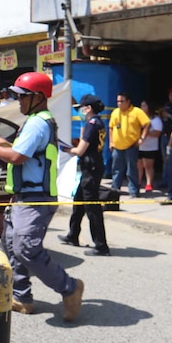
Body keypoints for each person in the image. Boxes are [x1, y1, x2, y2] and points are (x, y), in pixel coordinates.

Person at [0, 72, 84, 322]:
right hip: (24, 197)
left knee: (25, 249)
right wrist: (6, 146)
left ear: (37, 98)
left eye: (21, 96)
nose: (17, 101)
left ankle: (70, 287)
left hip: (35, 199)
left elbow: (18, 157)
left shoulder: (38, 122)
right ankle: (21, 297)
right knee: (12, 248)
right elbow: (22, 152)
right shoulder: (36, 120)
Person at [58, 94, 110, 256]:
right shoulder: (94, 122)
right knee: (79, 201)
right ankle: (73, 235)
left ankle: (101, 245)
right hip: (92, 166)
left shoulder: (92, 124)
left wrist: (67, 149)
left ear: (88, 108)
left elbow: (80, 150)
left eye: (81, 108)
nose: (79, 111)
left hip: (91, 167)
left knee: (92, 207)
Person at [109, 91, 150, 197]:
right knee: (116, 170)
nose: (119, 103)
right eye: (118, 101)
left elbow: (147, 124)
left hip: (131, 146)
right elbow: (111, 127)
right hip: (117, 146)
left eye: (122, 101)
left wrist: (142, 138)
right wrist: (111, 142)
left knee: (131, 170)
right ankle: (115, 190)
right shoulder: (115, 112)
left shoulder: (137, 112)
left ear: (128, 102)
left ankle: (133, 191)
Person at [137, 100, 162, 193]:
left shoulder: (156, 120)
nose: (141, 108)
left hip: (150, 146)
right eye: (141, 106)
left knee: (148, 166)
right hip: (139, 146)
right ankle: (138, 182)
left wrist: (145, 132)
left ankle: (149, 183)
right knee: (138, 165)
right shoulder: (138, 118)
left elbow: (157, 133)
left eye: (144, 106)